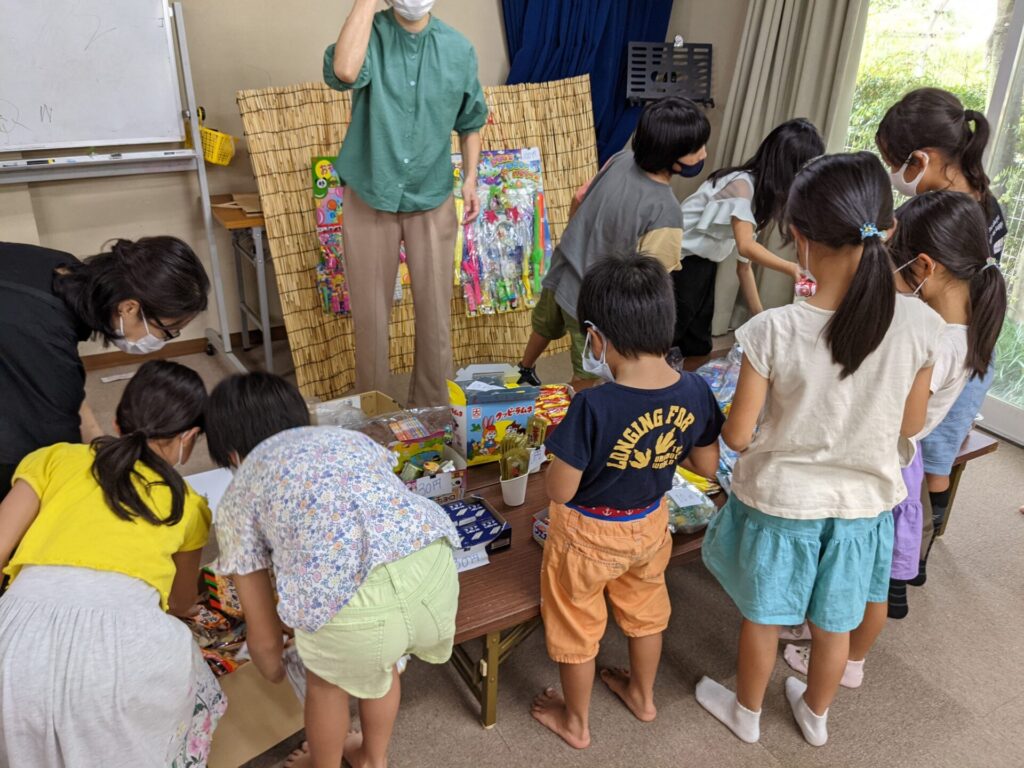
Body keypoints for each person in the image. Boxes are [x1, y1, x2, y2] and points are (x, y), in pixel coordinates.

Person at [695, 152, 944, 747]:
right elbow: (911, 425)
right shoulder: (920, 326)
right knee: (836, 621)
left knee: (764, 616)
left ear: (800, 241)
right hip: (863, 510)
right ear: (886, 230)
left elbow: (736, 435)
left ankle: (747, 714)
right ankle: (815, 716)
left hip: (783, 504)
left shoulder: (772, 330)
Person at [784, 191, 1007, 685]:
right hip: (899, 462)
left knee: (856, 578)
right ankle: (835, 646)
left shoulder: (934, 338)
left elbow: (896, 413)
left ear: (924, 264)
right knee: (862, 575)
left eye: (896, 261)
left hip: (881, 461)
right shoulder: (963, 326)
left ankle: (844, 659)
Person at [204, 372, 462, 768]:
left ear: (233, 455)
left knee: (325, 685)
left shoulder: (239, 497)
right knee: (385, 661)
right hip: (435, 570)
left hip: (360, 613)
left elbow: (263, 633)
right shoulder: (349, 438)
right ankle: (372, 758)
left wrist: (273, 667)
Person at [531, 254, 723, 749]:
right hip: (650, 525)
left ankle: (576, 723)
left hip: (588, 536)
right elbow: (705, 466)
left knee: (577, 626)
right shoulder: (696, 388)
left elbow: (560, 491)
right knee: (646, 612)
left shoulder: (592, 405)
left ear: (595, 338)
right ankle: (643, 696)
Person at [0, 360, 223, 766]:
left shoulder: (54, 458)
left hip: (15, 635)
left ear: (119, 422)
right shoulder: (188, 504)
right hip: (124, 651)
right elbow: (179, 603)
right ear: (189, 438)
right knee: (195, 690)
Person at [324, 0, 488, 407]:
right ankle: (374, 413)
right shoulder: (368, 35)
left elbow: (471, 122)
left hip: (431, 196)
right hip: (369, 191)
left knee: (435, 316)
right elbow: (343, 71)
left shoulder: (458, 49)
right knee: (371, 317)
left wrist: (470, 180)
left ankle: (434, 412)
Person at [876, 87, 1008, 586]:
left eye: (895, 162)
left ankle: (904, 562)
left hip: (945, 347)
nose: (895, 175)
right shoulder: (980, 196)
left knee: (922, 456)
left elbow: (916, 281)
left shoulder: (938, 214)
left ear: (921, 158)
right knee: (933, 456)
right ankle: (909, 559)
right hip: (968, 342)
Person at [515, 96, 710, 390]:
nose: (703, 154)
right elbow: (650, 277)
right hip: (594, 302)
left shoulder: (621, 158)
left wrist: (578, 238)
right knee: (587, 372)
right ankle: (570, 415)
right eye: (696, 150)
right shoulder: (666, 210)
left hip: (563, 267)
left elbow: (579, 198)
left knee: (544, 325)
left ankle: (525, 368)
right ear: (672, 155)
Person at [0, 237, 210, 493]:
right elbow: (55, 449)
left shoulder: (67, 271)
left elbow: (69, 396)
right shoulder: (46, 339)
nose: (165, 340)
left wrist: (102, 448)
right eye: (168, 331)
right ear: (129, 308)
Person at [673, 118, 825, 356]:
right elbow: (745, 247)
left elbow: (744, 268)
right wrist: (793, 268)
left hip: (701, 262)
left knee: (698, 346)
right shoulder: (741, 185)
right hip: (677, 261)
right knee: (670, 338)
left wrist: (761, 319)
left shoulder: (758, 196)